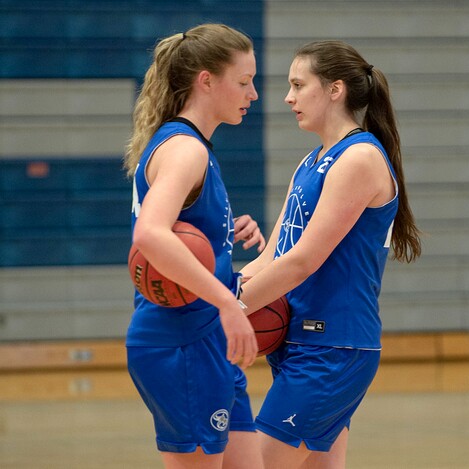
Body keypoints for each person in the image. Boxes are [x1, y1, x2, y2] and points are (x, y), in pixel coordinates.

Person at [237, 40, 422, 468]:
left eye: (299, 85)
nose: (288, 97)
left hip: (331, 348)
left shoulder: (359, 158)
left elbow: (303, 261)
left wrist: (231, 309)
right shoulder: (310, 162)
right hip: (301, 343)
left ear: (335, 89)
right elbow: (274, 254)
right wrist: (222, 292)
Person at [123, 23, 264, 469]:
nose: (254, 93)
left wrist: (227, 231)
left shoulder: (186, 145)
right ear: (206, 80)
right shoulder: (187, 149)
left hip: (205, 339)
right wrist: (227, 302)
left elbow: (184, 232)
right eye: (244, 82)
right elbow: (150, 233)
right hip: (182, 340)